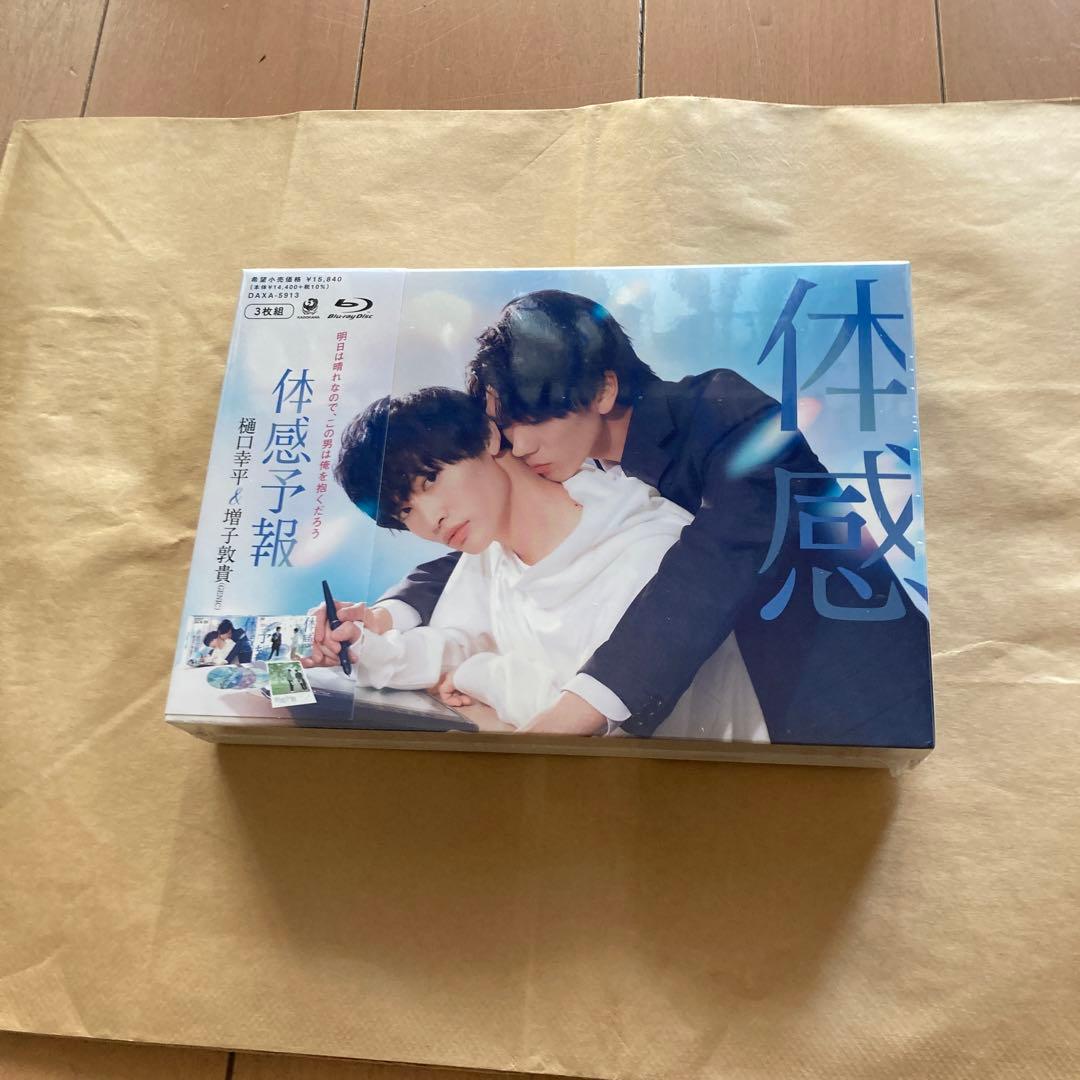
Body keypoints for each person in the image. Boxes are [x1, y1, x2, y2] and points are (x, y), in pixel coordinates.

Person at [365, 290, 933, 747]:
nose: (518, 444)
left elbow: (713, 565)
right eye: (506, 428)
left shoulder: (725, 414)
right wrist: (390, 612)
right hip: (756, 717)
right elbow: (491, 528)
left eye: (530, 419)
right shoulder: (581, 464)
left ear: (602, 388)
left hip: (859, 695)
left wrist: (572, 712)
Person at [305, 387, 767, 741]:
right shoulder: (491, 552)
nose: (430, 520)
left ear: (488, 437)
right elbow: (458, 640)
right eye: (406, 511)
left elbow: (580, 718)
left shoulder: (643, 547)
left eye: (430, 480)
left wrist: (473, 675)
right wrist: (366, 650)